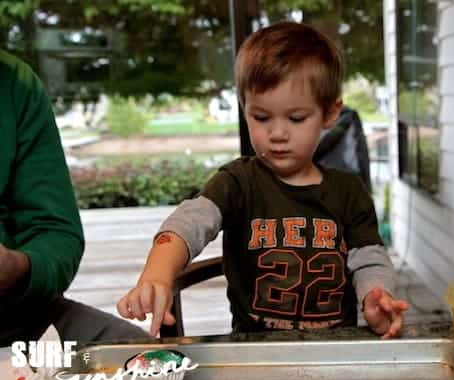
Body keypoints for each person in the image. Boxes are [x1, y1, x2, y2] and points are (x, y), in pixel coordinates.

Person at [118, 22, 409, 338]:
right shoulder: (238, 182)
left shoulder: (348, 191)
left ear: (329, 113)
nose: (278, 134)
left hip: (333, 348)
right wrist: (157, 274)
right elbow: (187, 223)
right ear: (244, 110)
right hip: (255, 348)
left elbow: (369, 258)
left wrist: (377, 296)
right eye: (261, 117)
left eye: (296, 119)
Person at [0, 49, 149, 346]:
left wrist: (18, 266)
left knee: (147, 359)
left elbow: (57, 233)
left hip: (15, 317)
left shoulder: (15, 82)